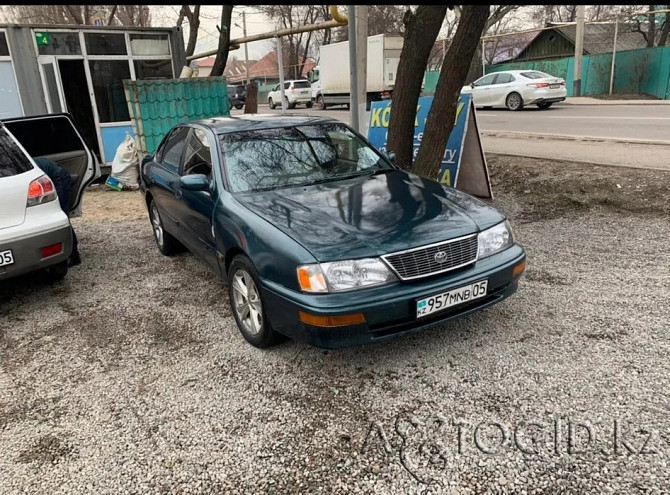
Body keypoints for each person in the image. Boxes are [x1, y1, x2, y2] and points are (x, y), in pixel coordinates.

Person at [33, 157, 81, 266]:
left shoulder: (20, 165)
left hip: (58, 177)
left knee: (60, 216)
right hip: (54, 174)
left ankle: (73, 254)